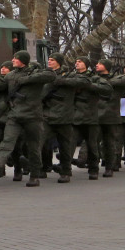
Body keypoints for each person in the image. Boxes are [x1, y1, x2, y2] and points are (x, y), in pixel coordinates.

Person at [0, 51, 49, 185]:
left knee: (33, 147)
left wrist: (26, 79)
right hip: (15, 115)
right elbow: (0, 85)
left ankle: (34, 175)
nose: (13, 60)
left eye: (15, 58)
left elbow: (50, 75)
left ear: (23, 60)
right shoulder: (10, 75)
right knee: (7, 141)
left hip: (33, 116)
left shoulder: (35, 74)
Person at [39, 54, 81, 182]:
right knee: (40, 141)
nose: (49, 61)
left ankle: (66, 171)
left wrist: (59, 81)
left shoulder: (69, 75)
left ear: (59, 62)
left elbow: (81, 82)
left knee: (65, 146)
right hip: (47, 115)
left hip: (64, 116)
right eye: (49, 59)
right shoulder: (46, 75)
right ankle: (38, 168)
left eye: (52, 60)